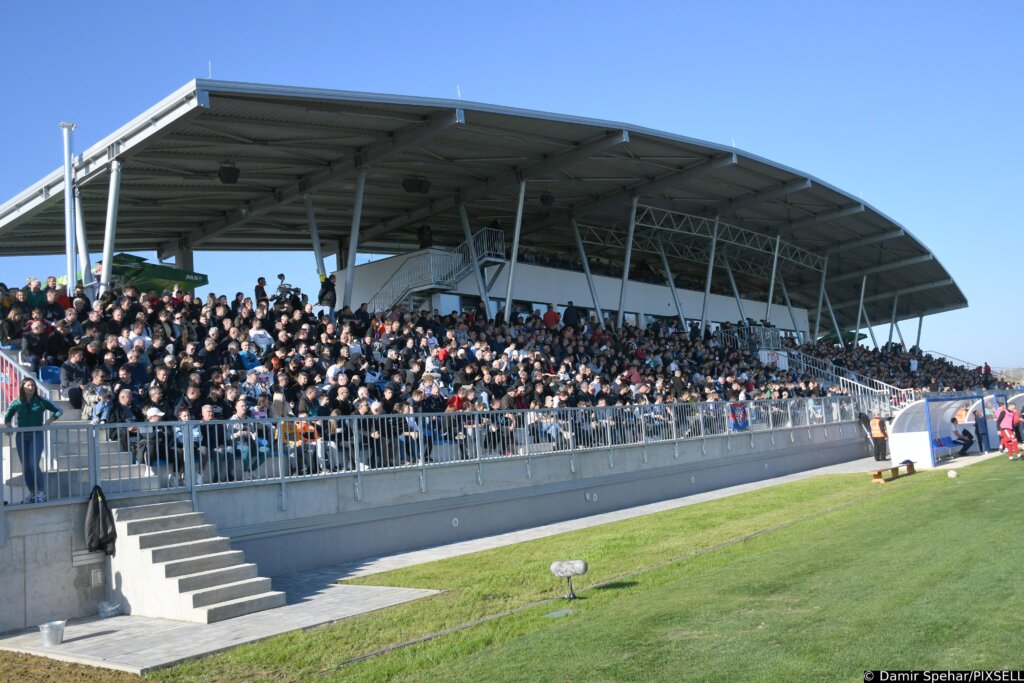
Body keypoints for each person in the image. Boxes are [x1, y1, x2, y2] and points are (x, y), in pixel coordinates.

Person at [3, 378, 63, 503]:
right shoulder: (16, 402)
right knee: (25, 466)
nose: (31, 387)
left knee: (32, 464)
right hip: (21, 436)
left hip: (36, 435)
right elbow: (7, 417)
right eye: (28, 385)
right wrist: (9, 426)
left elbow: (59, 410)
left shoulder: (41, 400)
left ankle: (41, 492)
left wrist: (49, 421)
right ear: (23, 387)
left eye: (33, 385)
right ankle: (32, 493)